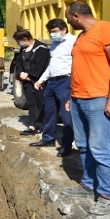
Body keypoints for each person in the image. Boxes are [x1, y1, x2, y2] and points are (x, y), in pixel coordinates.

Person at [61, 1, 110, 216]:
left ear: (76, 16)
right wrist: (72, 96)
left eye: (69, 18)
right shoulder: (81, 38)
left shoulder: (107, 29)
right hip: (79, 99)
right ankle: (88, 185)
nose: (68, 22)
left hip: (99, 100)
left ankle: (107, 195)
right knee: (84, 145)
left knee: (100, 148)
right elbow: (79, 69)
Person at [31, 19, 76, 157]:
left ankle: (66, 145)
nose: (53, 35)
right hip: (52, 81)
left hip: (65, 81)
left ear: (64, 30)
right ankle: (48, 138)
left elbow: (77, 64)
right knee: (50, 113)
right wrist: (42, 79)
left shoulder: (73, 42)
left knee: (67, 116)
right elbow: (52, 64)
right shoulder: (54, 44)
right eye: (50, 32)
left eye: (55, 32)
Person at [13, 25, 50, 135]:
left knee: (42, 103)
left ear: (25, 39)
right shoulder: (23, 50)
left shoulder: (41, 49)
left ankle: (45, 126)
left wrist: (30, 75)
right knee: (32, 103)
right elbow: (18, 63)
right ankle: (32, 126)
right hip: (27, 82)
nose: (19, 44)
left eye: (19, 41)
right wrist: (21, 74)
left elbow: (41, 65)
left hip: (39, 81)